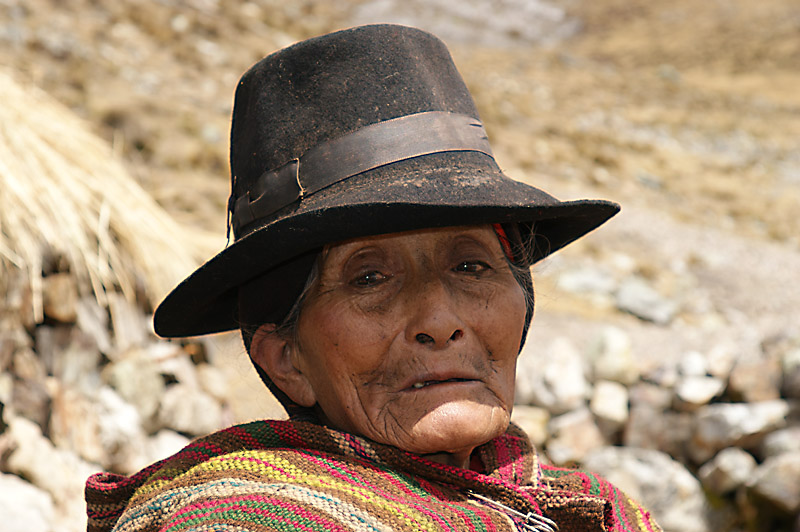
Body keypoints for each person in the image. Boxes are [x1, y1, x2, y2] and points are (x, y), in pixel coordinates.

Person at [85, 24, 662, 532]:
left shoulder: (582, 511)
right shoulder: (242, 521)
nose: (440, 322)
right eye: (368, 279)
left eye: (471, 266)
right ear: (287, 358)